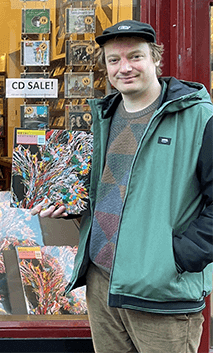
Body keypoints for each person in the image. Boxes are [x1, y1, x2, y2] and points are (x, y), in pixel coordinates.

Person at [34, 19, 213, 352]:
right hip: (103, 284)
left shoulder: (199, 117)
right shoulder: (104, 117)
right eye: (114, 60)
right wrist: (69, 204)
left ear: (155, 58)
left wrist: (177, 258)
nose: (124, 67)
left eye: (135, 56)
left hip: (160, 293)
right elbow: (107, 191)